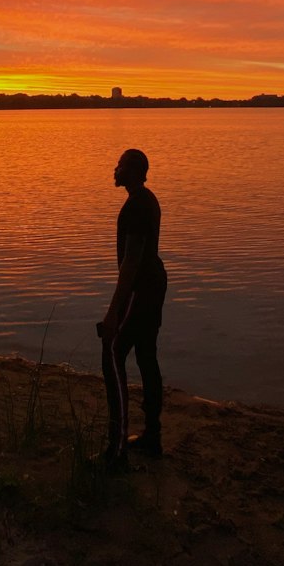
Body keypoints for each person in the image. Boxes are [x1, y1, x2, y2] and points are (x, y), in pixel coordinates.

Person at [98, 147, 168, 468]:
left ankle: (116, 450)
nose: (116, 169)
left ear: (135, 170)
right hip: (153, 285)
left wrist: (114, 311)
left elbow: (132, 260)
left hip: (141, 289)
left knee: (111, 352)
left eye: (121, 165)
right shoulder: (144, 199)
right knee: (146, 357)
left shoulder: (138, 205)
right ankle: (152, 437)